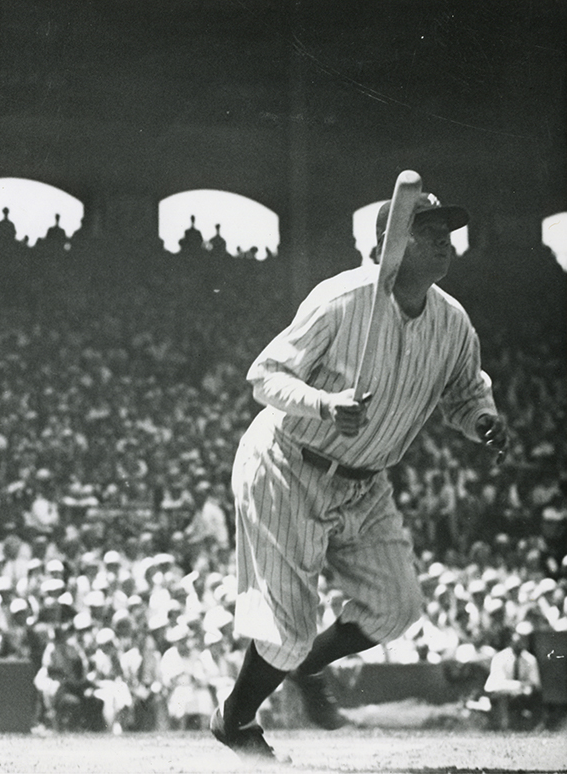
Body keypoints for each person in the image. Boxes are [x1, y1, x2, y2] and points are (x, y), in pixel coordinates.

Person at [211, 188, 508, 762]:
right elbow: (264, 376)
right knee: (288, 627)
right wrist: (325, 404)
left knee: (397, 607)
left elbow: (467, 394)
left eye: (446, 226)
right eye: (426, 228)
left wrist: (483, 422)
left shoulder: (452, 321)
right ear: (389, 244)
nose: (443, 237)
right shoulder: (341, 299)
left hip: (366, 481)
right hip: (289, 464)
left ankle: (302, 668)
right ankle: (237, 720)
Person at [483, 623, 542, 730]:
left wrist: (527, 688)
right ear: (513, 637)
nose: (521, 641)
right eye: (519, 636)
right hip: (500, 696)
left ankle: (528, 728)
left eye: (525, 638)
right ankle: (504, 727)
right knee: (505, 698)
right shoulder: (500, 657)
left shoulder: (530, 660)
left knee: (532, 698)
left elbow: (534, 682)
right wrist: (520, 685)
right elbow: (499, 683)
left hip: (521, 696)